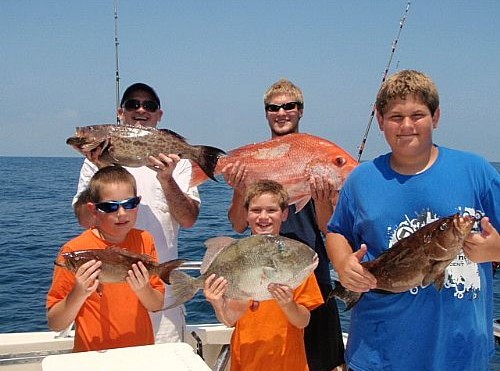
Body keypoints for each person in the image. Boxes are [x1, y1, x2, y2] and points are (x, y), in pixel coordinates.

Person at [326, 69, 500, 370]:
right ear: (380, 121)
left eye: (417, 115)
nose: (407, 125)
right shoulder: (361, 180)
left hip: (461, 353)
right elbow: (336, 231)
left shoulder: (476, 170)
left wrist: (496, 250)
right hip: (380, 353)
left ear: (436, 117)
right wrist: (344, 265)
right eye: (395, 117)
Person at [223, 79, 346, 370]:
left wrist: (324, 197)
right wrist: (240, 187)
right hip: (264, 276)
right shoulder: (255, 160)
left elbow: (330, 228)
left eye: (289, 106)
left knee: (322, 362)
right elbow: (239, 225)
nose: (282, 112)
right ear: (266, 112)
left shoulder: (318, 158)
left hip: (311, 276)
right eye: (274, 107)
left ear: (300, 111)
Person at [72, 83, 200, 343]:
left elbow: (188, 219)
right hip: (110, 293)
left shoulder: (179, 161)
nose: (141, 110)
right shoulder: (93, 161)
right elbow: (85, 219)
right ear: (121, 113)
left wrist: (167, 179)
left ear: (159, 115)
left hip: (161, 293)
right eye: (133, 104)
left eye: (149, 105)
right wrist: (101, 169)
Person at [204, 179, 324, 371]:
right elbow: (230, 319)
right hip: (245, 362)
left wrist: (288, 304)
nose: (263, 217)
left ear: (284, 214)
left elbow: (303, 321)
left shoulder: (294, 262)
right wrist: (217, 303)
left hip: (289, 364)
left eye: (271, 210)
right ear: (246, 215)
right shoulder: (237, 258)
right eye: (256, 210)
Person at [47, 165, 165, 352]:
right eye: (110, 207)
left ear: (138, 202)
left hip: (141, 353)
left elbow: (156, 304)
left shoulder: (145, 240)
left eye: (129, 204)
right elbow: (55, 323)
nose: (121, 213)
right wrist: (80, 292)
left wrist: (143, 288)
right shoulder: (73, 250)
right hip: (92, 356)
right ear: (93, 210)